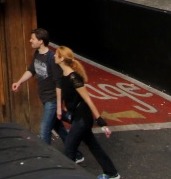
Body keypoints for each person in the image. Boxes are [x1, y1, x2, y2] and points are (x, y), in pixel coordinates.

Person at [54, 46, 121, 179]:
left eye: (56, 54)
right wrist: (59, 109)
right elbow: (62, 93)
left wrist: (100, 121)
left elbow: (88, 99)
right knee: (93, 145)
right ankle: (112, 173)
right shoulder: (63, 76)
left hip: (83, 118)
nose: (54, 56)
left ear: (62, 59)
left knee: (69, 149)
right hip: (76, 116)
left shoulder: (74, 77)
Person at [10, 28, 71, 153]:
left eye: (32, 39)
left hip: (52, 99)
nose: (30, 40)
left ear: (41, 41)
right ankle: (76, 153)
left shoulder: (52, 59)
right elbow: (31, 70)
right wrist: (19, 82)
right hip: (44, 97)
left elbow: (59, 83)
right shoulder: (37, 54)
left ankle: (46, 157)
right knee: (58, 126)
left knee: (44, 130)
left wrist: (59, 106)